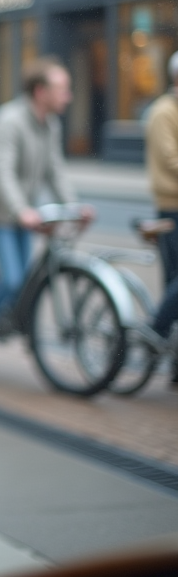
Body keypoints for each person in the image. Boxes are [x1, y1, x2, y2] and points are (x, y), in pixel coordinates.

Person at [0, 57, 91, 377]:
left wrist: (73, 206)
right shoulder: (9, 120)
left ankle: (15, 319)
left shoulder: (51, 124)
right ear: (40, 91)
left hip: (26, 215)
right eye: (62, 89)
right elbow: (1, 171)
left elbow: (55, 171)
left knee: (23, 282)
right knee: (11, 279)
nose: (69, 96)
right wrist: (20, 209)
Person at [142, 51, 178, 379]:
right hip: (171, 207)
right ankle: (154, 332)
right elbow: (170, 159)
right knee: (175, 283)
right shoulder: (163, 113)